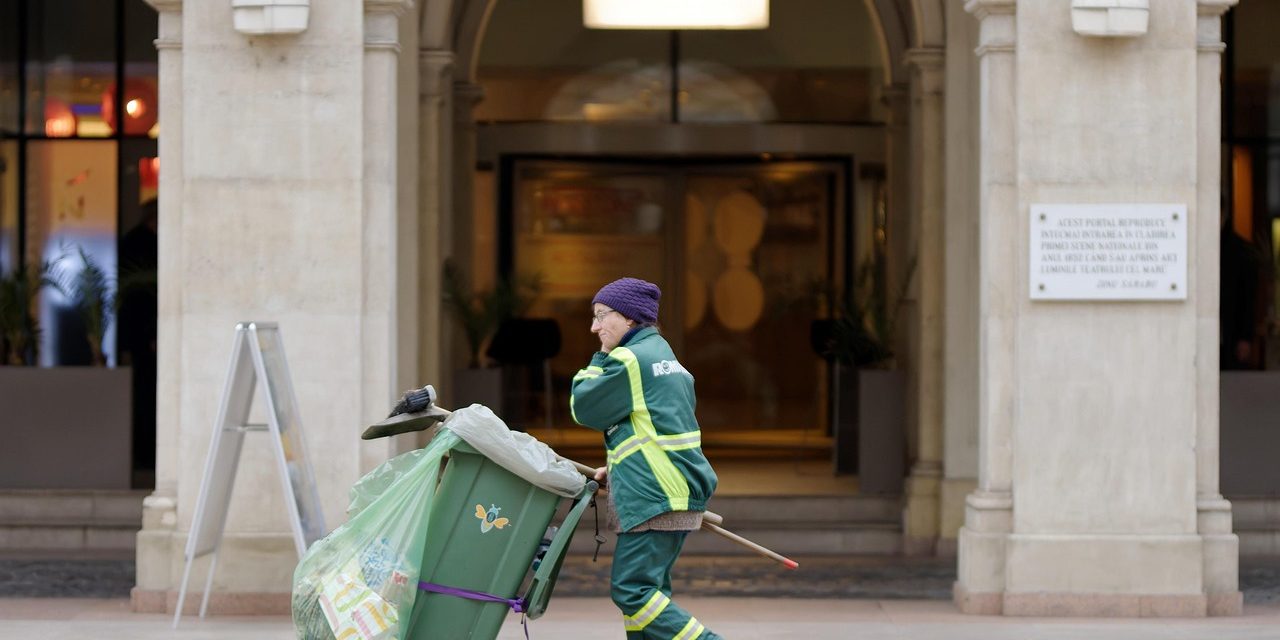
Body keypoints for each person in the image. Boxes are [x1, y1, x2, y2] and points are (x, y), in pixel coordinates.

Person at [569, 277, 722, 640]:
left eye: (601, 316)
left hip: (654, 494)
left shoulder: (629, 358)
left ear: (630, 318)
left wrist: (599, 358)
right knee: (650, 597)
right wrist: (621, 468)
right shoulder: (662, 354)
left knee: (631, 591)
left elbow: (584, 406)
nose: (594, 327)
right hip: (671, 488)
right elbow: (650, 426)